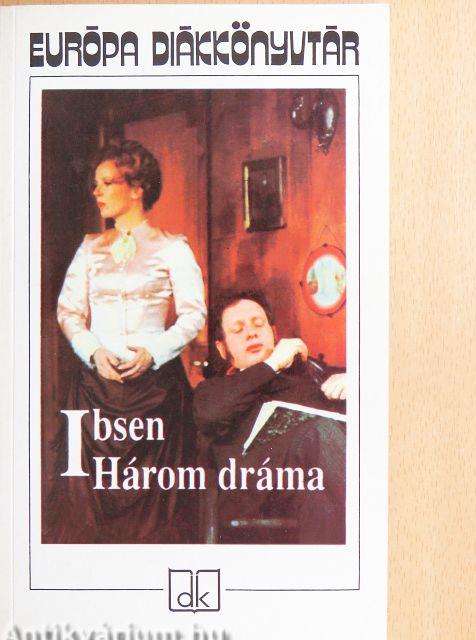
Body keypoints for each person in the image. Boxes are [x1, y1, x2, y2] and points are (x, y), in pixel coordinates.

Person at [47, 139, 206, 544]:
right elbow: (68, 312)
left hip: (155, 391)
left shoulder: (172, 247)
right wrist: (93, 351)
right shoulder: (90, 247)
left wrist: (155, 352)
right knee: (84, 511)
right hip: (95, 390)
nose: (96, 192)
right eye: (95, 184)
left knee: (158, 517)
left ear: (137, 188)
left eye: (107, 183)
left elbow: (194, 315)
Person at [193, 290, 346, 544]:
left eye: (258, 324)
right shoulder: (213, 390)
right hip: (254, 492)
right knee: (318, 433)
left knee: (321, 499)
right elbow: (210, 415)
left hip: (309, 487)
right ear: (222, 349)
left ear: (273, 333)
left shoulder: (309, 374)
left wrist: (357, 382)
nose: (251, 334)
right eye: (238, 330)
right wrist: (272, 364)